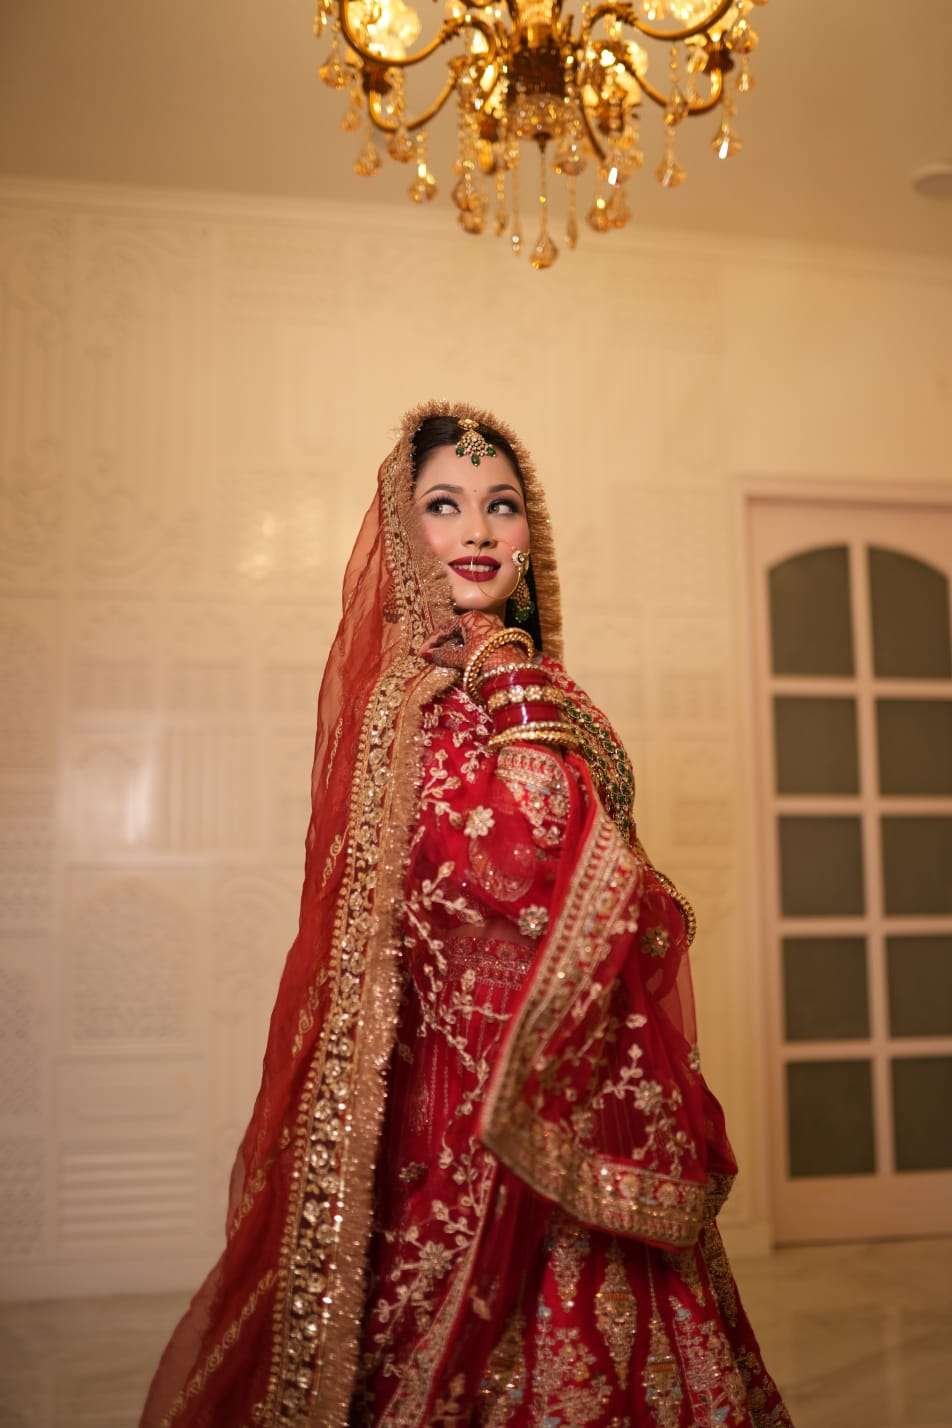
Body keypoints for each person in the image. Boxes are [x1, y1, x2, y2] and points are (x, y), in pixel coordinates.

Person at [141, 400, 792, 1428]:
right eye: (444, 505)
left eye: (502, 505)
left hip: (574, 1074)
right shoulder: (416, 700)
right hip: (452, 1108)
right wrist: (510, 690)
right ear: (406, 534)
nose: (479, 530)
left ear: (533, 534)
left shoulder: (536, 679)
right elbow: (495, 876)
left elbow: (613, 872)